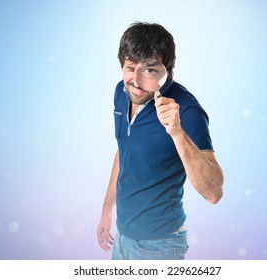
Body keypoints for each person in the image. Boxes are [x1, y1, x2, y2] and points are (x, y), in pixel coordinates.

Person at [96, 22, 223, 260]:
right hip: (122, 240)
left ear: (168, 68)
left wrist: (176, 132)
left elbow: (213, 192)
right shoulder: (121, 92)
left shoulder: (187, 110)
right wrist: (106, 209)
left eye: (149, 70)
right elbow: (124, 150)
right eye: (129, 68)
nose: (135, 81)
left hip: (159, 247)